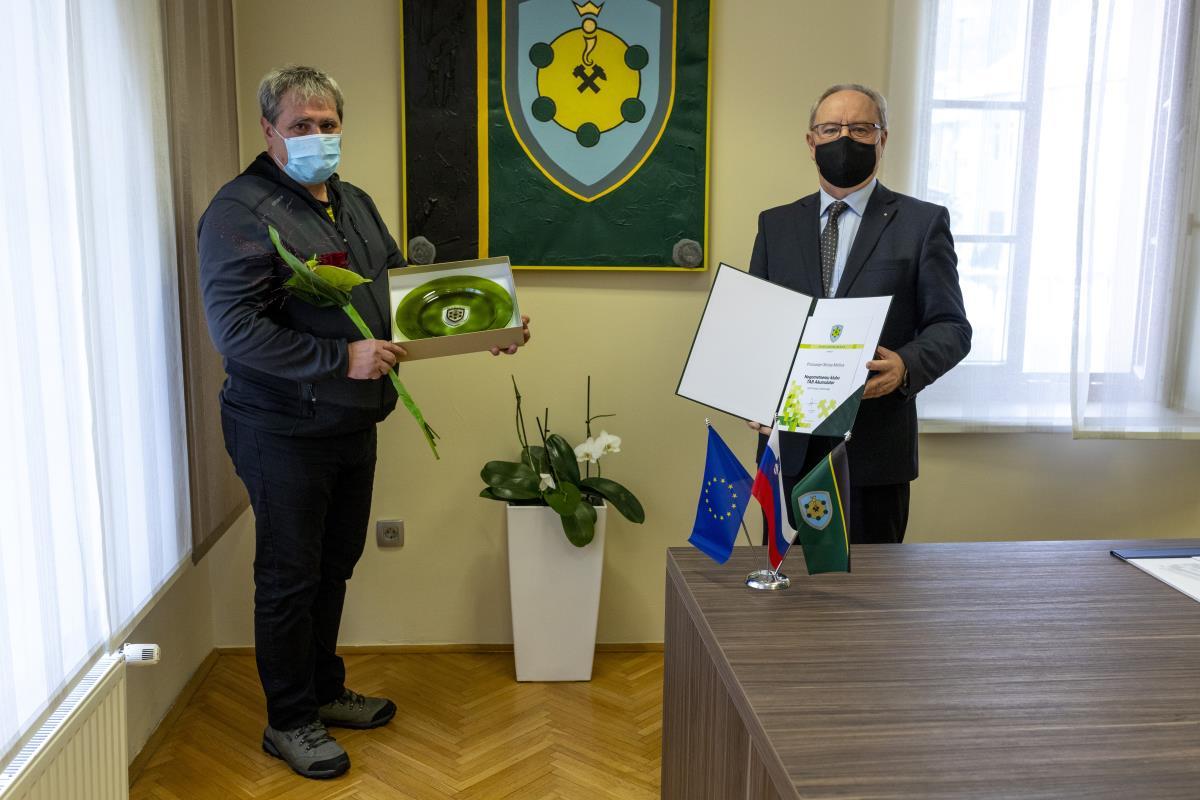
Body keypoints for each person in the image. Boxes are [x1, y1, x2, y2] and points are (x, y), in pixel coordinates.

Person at [198, 65, 530, 780]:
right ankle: (289, 720)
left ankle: (322, 690)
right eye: (300, 125)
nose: (316, 136)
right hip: (281, 428)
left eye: (327, 124)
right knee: (290, 576)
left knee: (334, 564)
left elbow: (401, 297)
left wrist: (485, 326)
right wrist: (337, 358)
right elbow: (235, 331)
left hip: (351, 423)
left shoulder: (353, 202)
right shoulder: (239, 211)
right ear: (269, 130)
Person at [748, 83, 970, 545]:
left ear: (882, 139)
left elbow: (952, 327)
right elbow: (756, 327)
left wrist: (907, 365)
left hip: (873, 456)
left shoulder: (922, 223)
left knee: (871, 589)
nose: (844, 138)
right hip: (788, 450)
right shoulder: (775, 225)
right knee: (786, 584)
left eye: (860, 128)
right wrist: (750, 393)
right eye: (831, 129)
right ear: (811, 141)